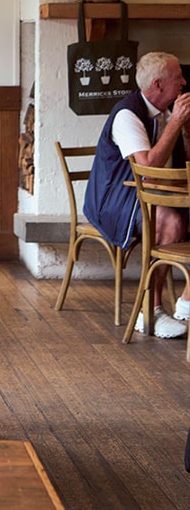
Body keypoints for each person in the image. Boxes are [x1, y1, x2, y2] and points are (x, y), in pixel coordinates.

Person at [84, 50, 190, 338]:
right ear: (157, 85)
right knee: (171, 222)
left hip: (159, 193)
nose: (183, 81)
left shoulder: (168, 112)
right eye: (178, 76)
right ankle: (150, 311)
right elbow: (148, 170)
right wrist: (177, 123)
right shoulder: (127, 114)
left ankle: (186, 303)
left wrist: (186, 130)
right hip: (116, 200)